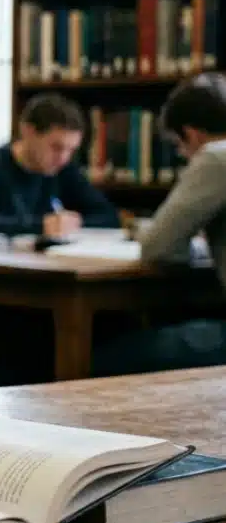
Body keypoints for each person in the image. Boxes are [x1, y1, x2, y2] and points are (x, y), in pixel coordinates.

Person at [94, 73, 226, 375]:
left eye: (180, 147)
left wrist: (168, 242)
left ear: (191, 135)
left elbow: (157, 248)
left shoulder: (215, 157)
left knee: (106, 356)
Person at [0, 93, 120, 236]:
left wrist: (72, 222)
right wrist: (41, 226)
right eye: (56, 147)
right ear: (28, 131)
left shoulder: (62, 169)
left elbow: (108, 215)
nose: (63, 158)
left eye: (71, 150)